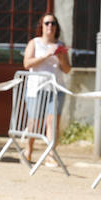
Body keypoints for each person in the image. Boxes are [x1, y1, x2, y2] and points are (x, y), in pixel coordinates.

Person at [22, 13, 71, 164]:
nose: (50, 26)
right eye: (47, 23)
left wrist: (60, 56)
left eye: (53, 23)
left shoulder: (60, 44)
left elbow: (67, 69)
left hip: (56, 88)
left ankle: (51, 154)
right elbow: (27, 63)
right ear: (41, 26)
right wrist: (47, 55)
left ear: (57, 27)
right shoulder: (34, 43)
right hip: (36, 88)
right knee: (34, 122)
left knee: (52, 123)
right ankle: (28, 150)